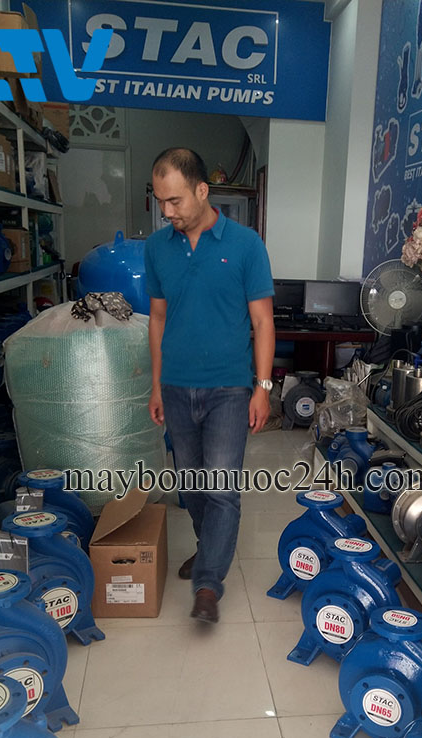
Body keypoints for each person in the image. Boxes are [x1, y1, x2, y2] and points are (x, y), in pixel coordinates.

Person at [146, 147, 275, 624]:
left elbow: (263, 322)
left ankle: (208, 584)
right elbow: (157, 318)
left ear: (202, 190)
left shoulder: (245, 245)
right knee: (192, 487)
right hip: (177, 387)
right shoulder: (157, 247)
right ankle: (208, 551)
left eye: (175, 200)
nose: (167, 211)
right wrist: (156, 385)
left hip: (229, 390)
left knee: (220, 488)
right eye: (160, 200)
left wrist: (263, 388)